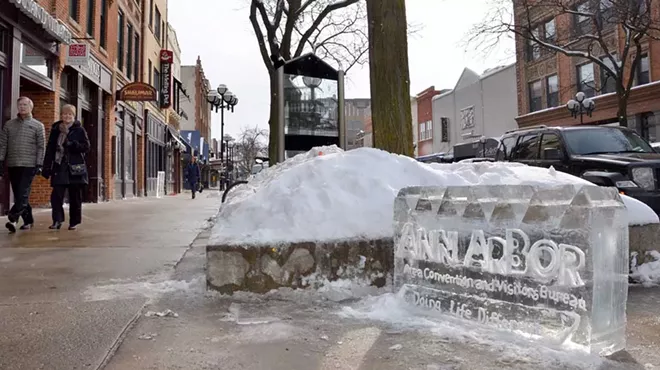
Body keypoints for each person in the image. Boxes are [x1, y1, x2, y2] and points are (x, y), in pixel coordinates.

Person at [0, 97, 45, 233]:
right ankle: (28, 221)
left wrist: (39, 163)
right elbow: (3, 144)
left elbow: (41, 147)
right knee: (20, 194)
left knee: (23, 193)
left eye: (25, 105)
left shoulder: (38, 125)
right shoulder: (9, 125)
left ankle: (12, 218)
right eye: (20, 105)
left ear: (31, 107)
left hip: (29, 164)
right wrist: (1, 161)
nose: (22, 107)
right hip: (13, 163)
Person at [42, 104, 90, 230]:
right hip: (59, 166)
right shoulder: (56, 129)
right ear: (61, 115)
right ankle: (57, 220)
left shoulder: (79, 130)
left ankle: (74, 222)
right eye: (64, 114)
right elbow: (50, 149)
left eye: (70, 114)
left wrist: (72, 144)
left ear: (73, 116)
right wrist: (47, 167)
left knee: (75, 197)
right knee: (56, 196)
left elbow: (86, 147)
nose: (67, 116)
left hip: (74, 168)